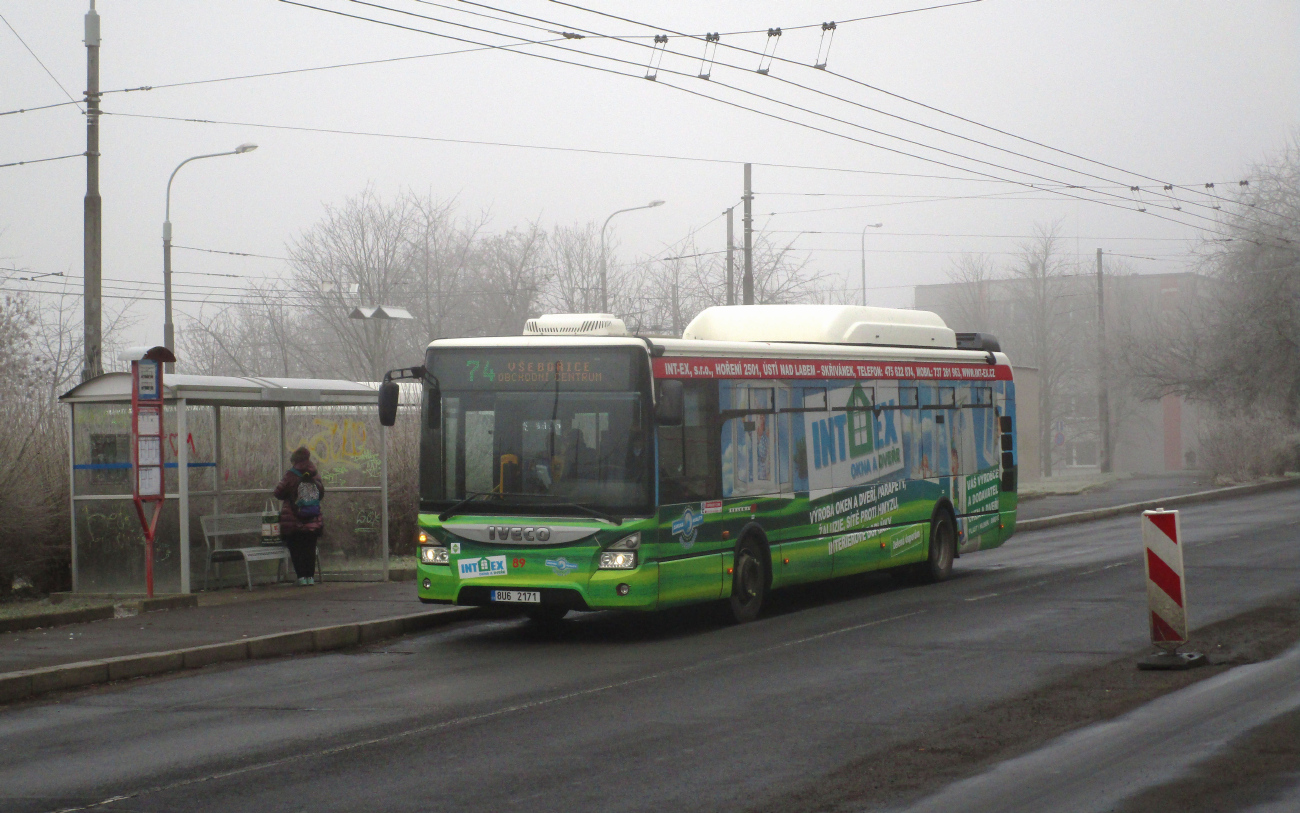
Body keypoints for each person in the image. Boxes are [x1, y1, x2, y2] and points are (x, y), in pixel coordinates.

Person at [274, 446, 325, 586]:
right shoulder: (315, 473)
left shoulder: (291, 474)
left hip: (294, 518)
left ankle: (301, 577)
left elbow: (278, 493)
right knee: (309, 547)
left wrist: (292, 493)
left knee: (296, 547)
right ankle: (310, 577)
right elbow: (321, 493)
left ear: (294, 460)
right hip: (312, 518)